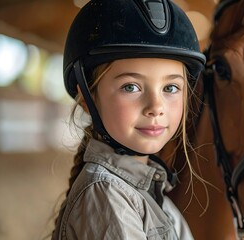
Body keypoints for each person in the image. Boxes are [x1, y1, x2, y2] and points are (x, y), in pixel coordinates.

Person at [52, 0, 205, 239]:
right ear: (87, 98)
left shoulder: (156, 195)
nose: (156, 107)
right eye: (131, 87)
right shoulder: (106, 195)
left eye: (171, 87)